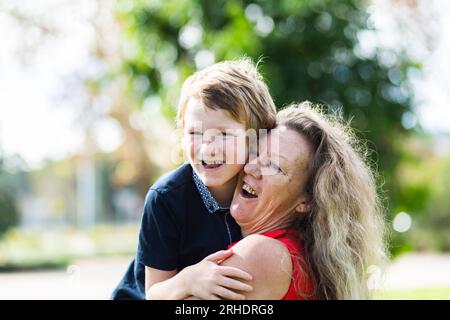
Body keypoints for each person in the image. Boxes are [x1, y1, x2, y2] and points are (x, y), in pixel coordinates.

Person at [171, 102, 387, 300]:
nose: (250, 168)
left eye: (274, 166)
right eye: (254, 153)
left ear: (307, 199)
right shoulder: (297, 257)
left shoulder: (263, 255)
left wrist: (181, 283)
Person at [111, 58, 277, 300]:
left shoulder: (261, 187)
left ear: (254, 138)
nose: (208, 148)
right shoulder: (165, 199)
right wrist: (189, 280)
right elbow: (154, 293)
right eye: (195, 133)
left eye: (223, 134)